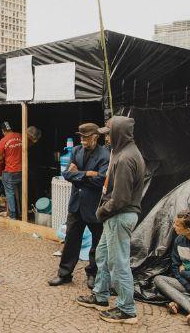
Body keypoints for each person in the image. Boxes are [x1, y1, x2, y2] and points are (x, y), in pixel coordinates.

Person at [76, 116, 145, 325]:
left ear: (118, 133)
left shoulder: (125, 158)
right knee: (103, 256)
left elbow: (121, 198)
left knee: (118, 263)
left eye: (108, 133)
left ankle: (127, 309)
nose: (105, 137)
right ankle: (100, 296)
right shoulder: (123, 152)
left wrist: (101, 212)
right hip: (115, 217)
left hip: (119, 216)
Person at [48, 123, 109, 289]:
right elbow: (66, 174)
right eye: (81, 137)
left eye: (86, 137)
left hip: (94, 206)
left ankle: (93, 274)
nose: (82, 140)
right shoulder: (75, 151)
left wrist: (78, 174)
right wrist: (88, 173)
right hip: (76, 205)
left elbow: (101, 180)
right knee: (70, 242)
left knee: (96, 243)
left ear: (96, 136)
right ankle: (64, 274)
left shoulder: (105, 155)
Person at [0, 121, 23, 220]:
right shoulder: (20, 136)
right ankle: (22, 213)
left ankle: (12, 215)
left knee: (10, 192)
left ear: (3, 131)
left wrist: (4, 156)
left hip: (10, 171)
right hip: (22, 171)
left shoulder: (3, 140)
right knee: (21, 192)